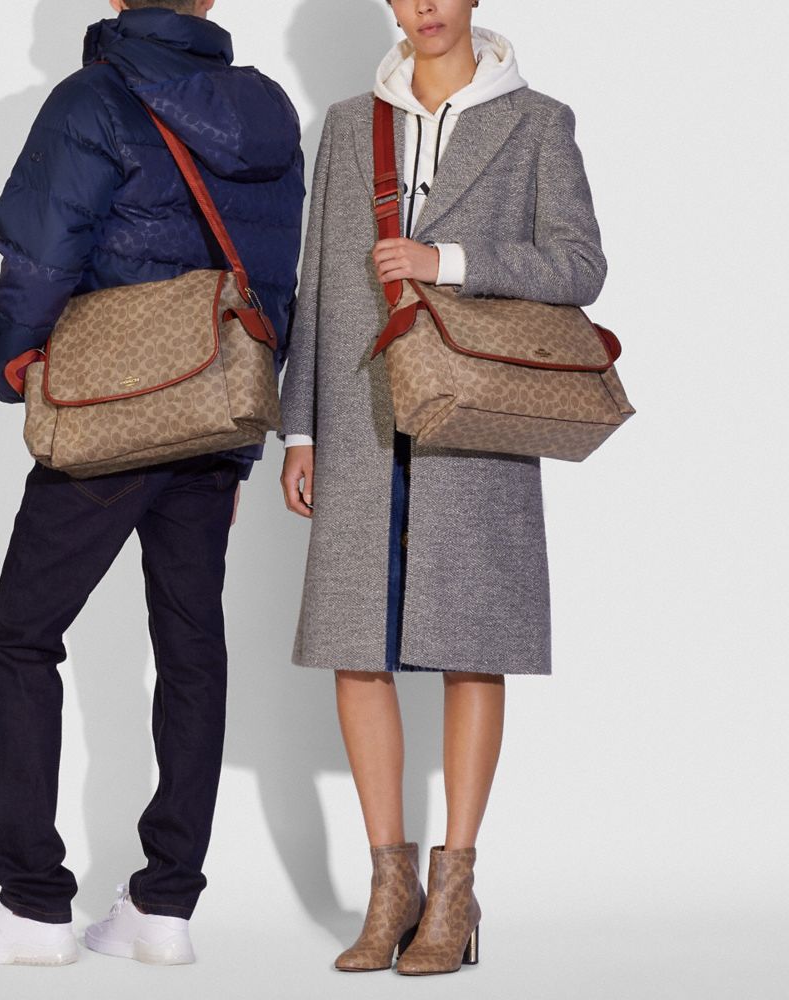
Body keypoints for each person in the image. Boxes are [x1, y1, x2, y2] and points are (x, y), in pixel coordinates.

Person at [0, 0, 303, 967]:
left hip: (114, 409)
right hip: (214, 409)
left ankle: (33, 906)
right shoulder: (267, 111)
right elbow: (275, 280)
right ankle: (163, 908)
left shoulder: (91, 99)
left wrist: (15, 363)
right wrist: (239, 440)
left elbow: (42, 249)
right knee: (191, 648)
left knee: (19, 638)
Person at [280, 0, 606, 976]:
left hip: (475, 417)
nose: (424, 6)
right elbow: (318, 280)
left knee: (472, 644)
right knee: (354, 645)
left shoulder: (537, 121)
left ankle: (453, 891)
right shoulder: (350, 125)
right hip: (359, 417)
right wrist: (300, 426)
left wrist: (447, 262)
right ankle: (391, 890)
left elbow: (581, 265)